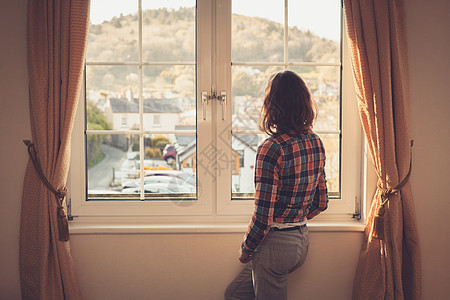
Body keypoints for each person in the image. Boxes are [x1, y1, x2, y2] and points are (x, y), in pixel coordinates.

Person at [225, 70, 329, 300]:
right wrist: (295, 217)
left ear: (272, 107)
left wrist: (246, 249)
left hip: (276, 246)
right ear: (304, 103)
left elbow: (264, 215)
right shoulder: (315, 141)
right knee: (235, 294)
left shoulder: (271, 148)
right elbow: (322, 202)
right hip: (301, 242)